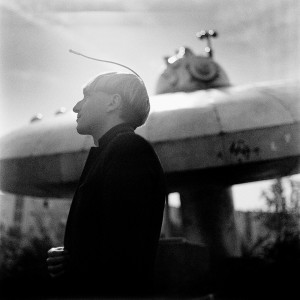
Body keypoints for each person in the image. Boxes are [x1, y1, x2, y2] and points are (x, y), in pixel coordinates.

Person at [47, 72, 166, 297]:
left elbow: (122, 255)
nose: (75, 107)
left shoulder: (127, 150)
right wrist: (70, 257)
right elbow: (111, 238)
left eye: (86, 96)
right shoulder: (117, 150)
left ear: (114, 102)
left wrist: (77, 266)